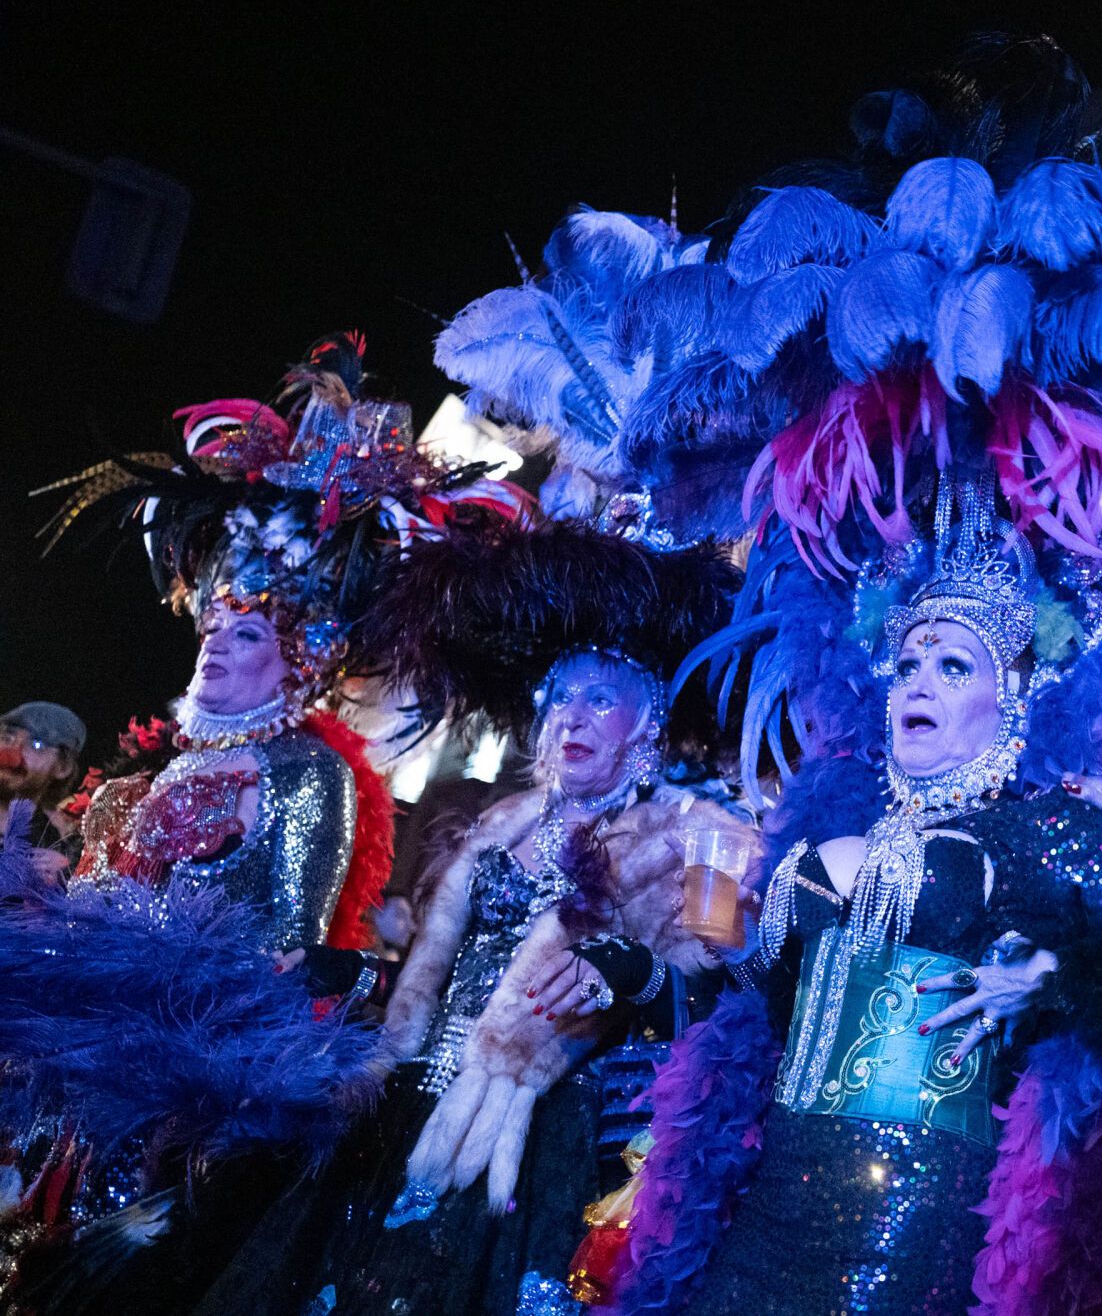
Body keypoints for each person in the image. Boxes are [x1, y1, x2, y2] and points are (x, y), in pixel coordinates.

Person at [605, 35, 1102, 1314]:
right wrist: (658, 945)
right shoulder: (828, 813)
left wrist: (1066, 984)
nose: (915, 678)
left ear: (1011, 694)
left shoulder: (1051, 829)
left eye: (951, 659)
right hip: (758, 1222)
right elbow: (741, 1010)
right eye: (907, 656)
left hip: (927, 1241)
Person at [191, 260, 745, 1313]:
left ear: (645, 727)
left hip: (545, 1140)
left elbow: (726, 983)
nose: (572, 716)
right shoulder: (495, 826)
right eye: (561, 696)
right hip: (405, 1109)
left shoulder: (690, 835)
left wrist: (630, 971)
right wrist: (353, 988)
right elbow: (422, 982)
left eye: (601, 699)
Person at [0, 334, 513, 1313]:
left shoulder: (309, 773)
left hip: (188, 1085)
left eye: (245, 635)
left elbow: (291, 955)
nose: (216, 649)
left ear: (299, 663)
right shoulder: (175, 765)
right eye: (213, 627)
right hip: (101, 1064)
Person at [0, 701, 86, 875]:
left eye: (36, 745)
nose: (12, 753)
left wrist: (63, 879)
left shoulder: (54, 843)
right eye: (7, 738)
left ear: (62, 767)